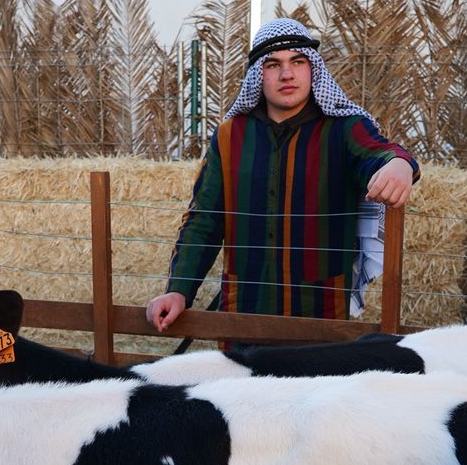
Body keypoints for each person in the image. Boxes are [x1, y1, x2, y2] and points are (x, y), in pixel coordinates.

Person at [145, 17, 417, 331]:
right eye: (273, 64)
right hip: (244, 313)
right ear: (257, 74)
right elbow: (205, 219)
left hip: (321, 314)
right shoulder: (230, 135)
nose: (286, 74)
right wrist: (179, 290)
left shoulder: (344, 129)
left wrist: (400, 164)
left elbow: (378, 152)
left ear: (312, 68)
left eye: (297, 61)